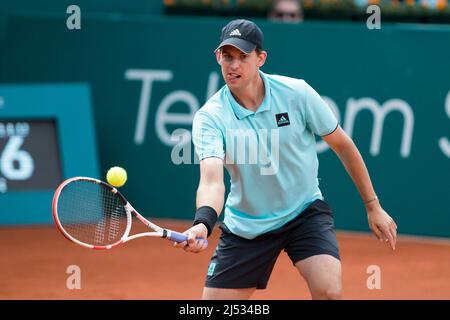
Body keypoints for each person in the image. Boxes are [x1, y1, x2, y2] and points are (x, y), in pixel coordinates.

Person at [174, 19, 397, 300]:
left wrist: (372, 205)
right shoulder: (210, 117)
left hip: (303, 212)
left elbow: (343, 145)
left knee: (329, 292)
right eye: (227, 56)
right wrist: (203, 223)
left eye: (243, 57)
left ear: (260, 58)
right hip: (247, 227)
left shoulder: (297, 93)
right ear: (218, 57)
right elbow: (211, 181)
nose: (234, 65)